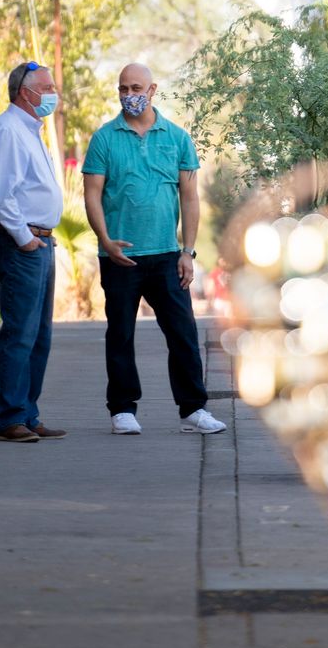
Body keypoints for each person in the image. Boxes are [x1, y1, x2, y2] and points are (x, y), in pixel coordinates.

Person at [83, 63, 226, 436]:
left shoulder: (177, 138)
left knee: (182, 332)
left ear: (152, 90)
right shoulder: (104, 139)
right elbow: (92, 194)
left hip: (166, 255)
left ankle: (193, 410)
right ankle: (122, 411)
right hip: (120, 257)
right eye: (123, 88)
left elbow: (190, 198)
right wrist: (105, 240)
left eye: (136, 88)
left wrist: (188, 251)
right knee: (120, 334)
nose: (130, 95)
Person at [0, 61, 66, 443]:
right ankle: (12, 418)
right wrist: (25, 238)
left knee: (39, 335)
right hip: (23, 243)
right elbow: (1, 193)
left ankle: (28, 414)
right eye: (45, 87)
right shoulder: (8, 131)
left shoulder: (30, 131)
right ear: (24, 92)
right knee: (20, 333)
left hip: (40, 242)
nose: (52, 93)